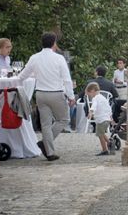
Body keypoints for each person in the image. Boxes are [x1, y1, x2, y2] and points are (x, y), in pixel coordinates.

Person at [19, 32, 75, 161]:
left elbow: (23, 76)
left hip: (40, 94)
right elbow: (67, 79)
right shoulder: (59, 58)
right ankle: (45, 143)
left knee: (45, 124)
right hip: (56, 93)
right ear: (54, 43)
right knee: (64, 119)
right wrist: (71, 96)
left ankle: (49, 152)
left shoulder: (34, 57)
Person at [85, 82, 114, 156]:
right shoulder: (103, 98)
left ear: (92, 91)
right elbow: (108, 108)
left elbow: (93, 106)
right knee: (101, 133)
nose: (90, 96)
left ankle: (105, 150)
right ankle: (110, 143)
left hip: (101, 120)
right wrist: (111, 117)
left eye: (89, 94)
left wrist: (91, 112)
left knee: (100, 135)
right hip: (106, 119)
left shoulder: (95, 98)